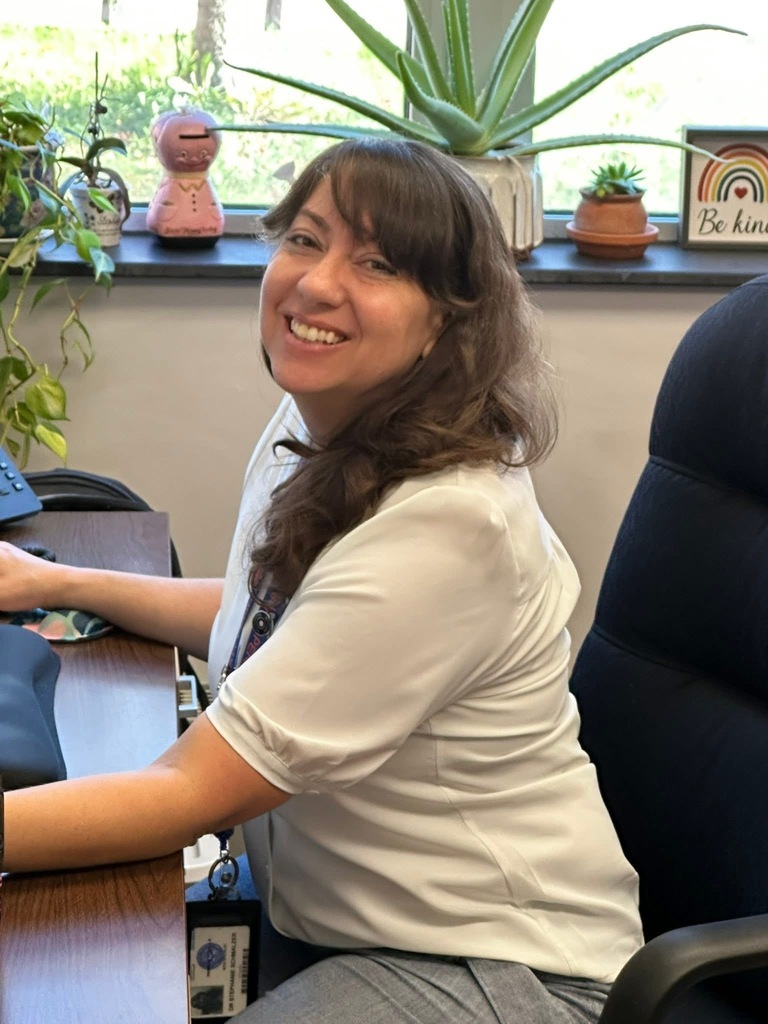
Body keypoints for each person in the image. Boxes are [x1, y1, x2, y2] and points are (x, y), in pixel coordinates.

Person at [0, 137, 643, 1023]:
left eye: (376, 262)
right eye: (305, 239)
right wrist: (54, 581)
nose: (316, 282)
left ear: (448, 322)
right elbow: (281, 626)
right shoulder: (319, 423)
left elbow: (188, 792)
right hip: (352, 926)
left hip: (496, 967)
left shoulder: (450, 525)